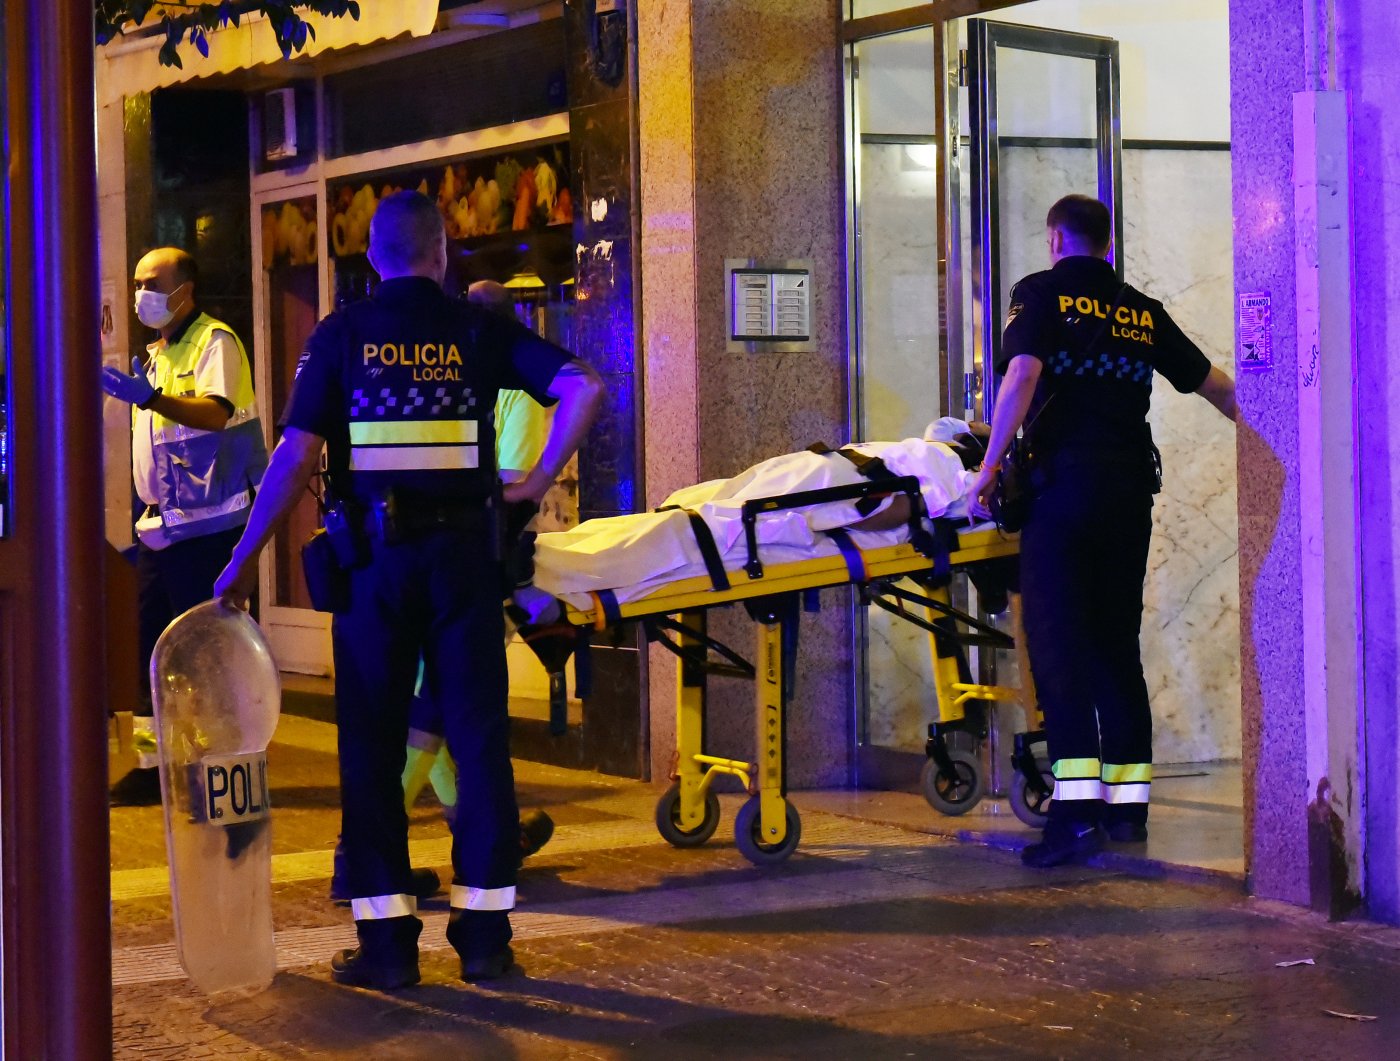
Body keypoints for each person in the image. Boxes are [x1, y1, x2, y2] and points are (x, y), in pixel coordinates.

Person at [214, 191, 604, 990]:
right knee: (478, 738)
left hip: (375, 569)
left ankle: (388, 947)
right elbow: (584, 388)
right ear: (441, 250)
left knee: (370, 746)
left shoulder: (342, 335)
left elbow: (293, 459)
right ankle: (486, 939)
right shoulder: (478, 327)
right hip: (464, 559)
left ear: (372, 256)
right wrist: (532, 481)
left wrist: (244, 556)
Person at [967, 194, 1236, 868]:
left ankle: (1075, 815)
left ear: (1056, 238)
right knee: (1116, 646)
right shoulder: (1141, 311)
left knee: (1058, 651)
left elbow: (1022, 373)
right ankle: (1127, 812)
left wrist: (992, 464)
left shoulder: (1040, 295)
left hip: (1062, 494)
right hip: (1127, 496)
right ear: (1107, 243)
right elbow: (1216, 385)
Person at [102, 247, 268, 806]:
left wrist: (149, 397)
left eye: (153, 281)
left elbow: (216, 413)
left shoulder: (215, 341)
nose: (141, 292)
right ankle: (155, 769)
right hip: (163, 531)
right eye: (138, 281)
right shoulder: (158, 352)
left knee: (207, 658)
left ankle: (219, 770)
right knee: (152, 654)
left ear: (185, 289)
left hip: (211, 531)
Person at [398, 279, 556, 834]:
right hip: (465, 561)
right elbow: (513, 489)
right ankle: (376, 836)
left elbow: (507, 488)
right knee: (440, 700)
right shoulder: (508, 391)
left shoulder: (472, 383)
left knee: (430, 696)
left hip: (431, 555)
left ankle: (470, 820)